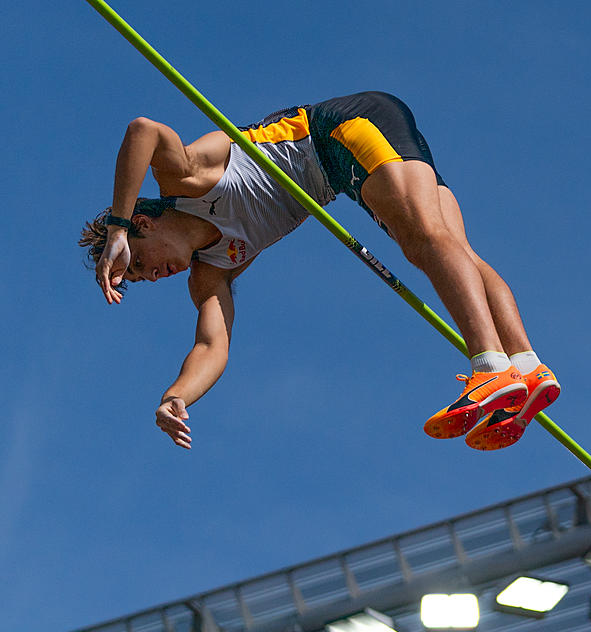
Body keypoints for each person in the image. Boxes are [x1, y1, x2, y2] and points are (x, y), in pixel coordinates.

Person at [80, 91, 559, 452]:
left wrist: (115, 229)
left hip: (341, 130)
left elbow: (142, 129)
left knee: (424, 243)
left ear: (143, 222)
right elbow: (211, 345)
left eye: (140, 263)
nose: (154, 274)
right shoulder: (212, 272)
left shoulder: (185, 177)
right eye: (144, 279)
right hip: (344, 169)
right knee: (455, 251)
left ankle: (489, 368)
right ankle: (526, 367)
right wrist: (176, 396)